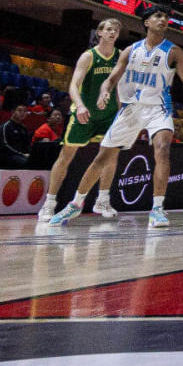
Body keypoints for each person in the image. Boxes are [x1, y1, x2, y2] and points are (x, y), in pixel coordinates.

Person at [47, 9, 183, 228]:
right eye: (158, 16)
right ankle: (75, 204)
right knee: (102, 158)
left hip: (158, 108)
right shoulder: (131, 50)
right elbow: (111, 79)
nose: (163, 20)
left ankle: (158, 208)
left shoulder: (174, 51)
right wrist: (105, 91)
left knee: (162, 148)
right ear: (146, 22)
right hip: (131, 108)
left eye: (165, 18)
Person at [41, 18, 122, 221]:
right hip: (85, 113)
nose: (113, 33)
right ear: (100, 33)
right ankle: (49, 203)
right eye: (109, 29)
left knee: (111, 157)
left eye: (116, 31)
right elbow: (73, 85)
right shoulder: (88, 56)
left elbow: (121, 87)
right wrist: (81, 106)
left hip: (109, 114)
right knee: (66, 156)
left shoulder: (120, 56)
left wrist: (121, 111)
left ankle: (102, 200)